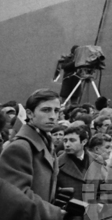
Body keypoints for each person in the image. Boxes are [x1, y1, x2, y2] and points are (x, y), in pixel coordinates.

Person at [0, 89, 66, 220]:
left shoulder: (45, 142)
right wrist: (55, 213)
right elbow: (18, 198)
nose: (53, 116)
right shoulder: (20, 147)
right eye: (46, 110)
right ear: (30, 114)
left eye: (56, 110)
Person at [56, 123, 100, 216]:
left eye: (72, 140)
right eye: (65, 140)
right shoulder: (57, 164)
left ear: (84, 142)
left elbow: (104, 186)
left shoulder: (97, 160)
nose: (67, 144)